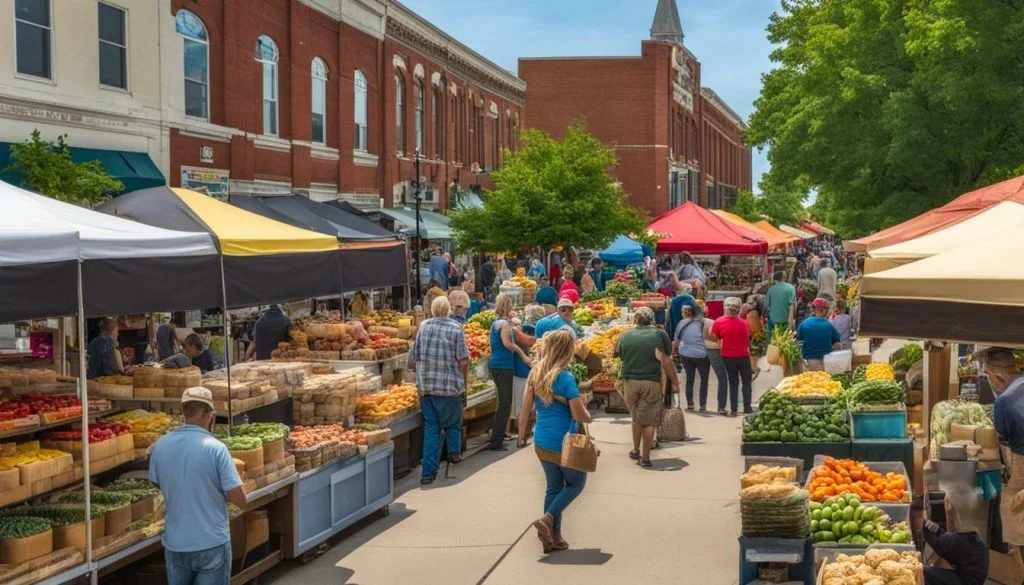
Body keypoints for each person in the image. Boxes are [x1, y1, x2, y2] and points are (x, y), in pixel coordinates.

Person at [149, 387, 246, 585]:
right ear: (208, 414)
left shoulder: (161, 445)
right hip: (211, 542)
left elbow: (156, 481)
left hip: (176, 544)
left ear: (185, 413)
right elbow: (239, 498)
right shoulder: (216, 448)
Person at [516, 329, 592, 553]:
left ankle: (552, 538)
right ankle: (548, 519)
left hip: (541, 440)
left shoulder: (535, 374)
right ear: (567, 351)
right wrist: (582, 406)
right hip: (564, 441)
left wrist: (521, 436)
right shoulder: (566, 378)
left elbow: (525, 410)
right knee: (576, 483)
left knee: (553, 487)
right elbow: (580, 415)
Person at [408, 296, 469, 485]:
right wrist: (464, 386)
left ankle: (428, 472)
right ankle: (454, 453)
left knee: (432, 428)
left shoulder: (424, 326)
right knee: (452, 423)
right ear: (449, 309)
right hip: (449, 386)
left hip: (427, 387)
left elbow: (414, 357)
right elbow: (463, 360)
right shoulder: (455, 328)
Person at [615, 307, 679, 467]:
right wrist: (675, 382)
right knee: (650, 420)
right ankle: (646, 458)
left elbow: (620, 355)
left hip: (630, 381)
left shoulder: (625, 335)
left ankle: (636, 449)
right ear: (652, 320)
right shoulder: (659, 334)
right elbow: (666, 359)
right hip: (651, 381)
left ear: (635, 320)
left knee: (636, 418)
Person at [983, 348, 1024, 547]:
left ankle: (1017, 556)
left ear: (996, 375)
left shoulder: (1004, 400)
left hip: (1022, 460)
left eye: (987, 375)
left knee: (1012, 508)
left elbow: (1001, 435)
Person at [489, 294, 530, 451]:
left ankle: (497, 436)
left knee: (503, 402)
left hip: (497, 365)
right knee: (505, 403)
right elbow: (507, 343)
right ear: (507, 306)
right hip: (503, 366)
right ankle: (496, 441)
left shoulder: (497, 323)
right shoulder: (504, 325)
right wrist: (522, 353)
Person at [922, 498, 988, 585]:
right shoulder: (971, 532)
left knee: (922, 571)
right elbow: (948, 540)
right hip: (972, 577)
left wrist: (922, 525)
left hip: (967, 581)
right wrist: (936, 529)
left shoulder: (957, 539)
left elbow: (940, 544)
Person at [711, 297, 752, 415]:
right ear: (739, 309)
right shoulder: (744, 323)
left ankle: (734, 408)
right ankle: (747, 407)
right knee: (746, 382)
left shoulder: (718, 322)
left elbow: (714, 336)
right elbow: (747, 340)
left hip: (727, 356)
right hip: (743, 355)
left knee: (733, 382)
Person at [511, 305, 544, 431]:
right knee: (527, 406)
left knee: (524, 405)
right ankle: (522, 430)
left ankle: (521, 431)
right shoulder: (523, 333)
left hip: (524, 373)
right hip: (524, 374)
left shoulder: (521, 332)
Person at [673, 304, 710, 412]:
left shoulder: (682, 323)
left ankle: (690, 404)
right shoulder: (704, 323)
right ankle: (703, 405)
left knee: (689, 379)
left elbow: (676, 340)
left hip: (686, 354)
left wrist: (675, 352)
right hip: (702, 355)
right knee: (704, 380)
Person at [796, 298, 841, 371]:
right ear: (824, 310)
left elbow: (797, 341)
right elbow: (837, 346)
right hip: (825, 363)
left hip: (807, 362)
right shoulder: (829, 325)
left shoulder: (804, 323)